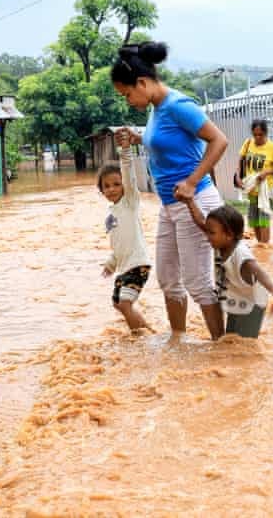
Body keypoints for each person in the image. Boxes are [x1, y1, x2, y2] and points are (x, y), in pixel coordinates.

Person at [111, 41, 229, 341]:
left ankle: (222, 348)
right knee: (167, 279)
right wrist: (138, 138)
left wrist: (191, 182)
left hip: (195, 200)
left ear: (142, 82)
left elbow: (219, 141)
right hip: (169, 205)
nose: (128, 101)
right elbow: (166, 142)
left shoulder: (178, 105)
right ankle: (179, 340)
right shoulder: (155, 109)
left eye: (127, 94)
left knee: (197, 281)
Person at [181, 201, 273, 338]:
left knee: (245, 344)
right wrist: (190, 202)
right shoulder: (221, 244)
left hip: (252, 306)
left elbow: (257, 270)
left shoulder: (240, 253)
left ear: (229, 235)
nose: (207, 237)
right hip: (235, 299)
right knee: (231, 340)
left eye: (211, 233)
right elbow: (201, 222)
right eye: (207, 232)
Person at [100, 146, 152, 332]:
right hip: (123, 267)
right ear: (101, 191)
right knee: (117, 303)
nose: (112, 189)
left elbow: (129, 177)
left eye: (116, 184)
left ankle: (138, 337)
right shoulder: (110, 216)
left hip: (138, 264)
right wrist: (110, 264)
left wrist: (125, 153)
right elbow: (117, 246)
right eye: (106, 186)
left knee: (124, 303)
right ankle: (147, 330)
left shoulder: (130, 203)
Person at [233, 119, 273, 244]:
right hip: (252, 189)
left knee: (264, 220)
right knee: (254, 219)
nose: (257, 137)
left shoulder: (272, 148)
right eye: (255, 135)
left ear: (266, 133)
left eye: (260, 135)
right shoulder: (248, 143)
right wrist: (238, 176)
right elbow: (241, 160)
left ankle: (265, 246)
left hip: (265, 190)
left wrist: (266, 173)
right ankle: (260, 245)